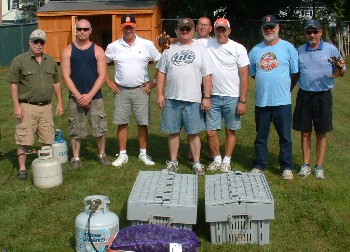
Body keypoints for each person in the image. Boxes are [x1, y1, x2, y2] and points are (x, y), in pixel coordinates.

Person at [156, 18, 212, 175]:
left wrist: (206, 97)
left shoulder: (201, 50)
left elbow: (207, 76)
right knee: (173, 132)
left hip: (193, 99)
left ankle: (196, 163)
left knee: (193, 133)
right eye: (182, 29)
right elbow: (161, 73)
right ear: (177, 30)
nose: (185, 31)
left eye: (188, 29)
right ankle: (173, 162)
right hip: (172, 98)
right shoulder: (169, 50)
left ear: (193, 30)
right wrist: (160, 94)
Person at [291, 19, 346, 179]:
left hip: (323, 96)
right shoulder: (299, 50)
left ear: (321, 32)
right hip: (305, 95)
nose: (312, 35)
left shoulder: (331, 49)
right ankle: (305, 165)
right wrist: (287, 91)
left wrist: (340, 68)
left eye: (315, 32)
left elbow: (341, 72)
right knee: (305, 132)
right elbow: (295, 74)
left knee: (321, 133)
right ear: (305, 34)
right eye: (309, 32)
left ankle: (319, 167)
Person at [105, 14, 161, 167]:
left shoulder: (146, 44)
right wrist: (109, 82)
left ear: (135, 26)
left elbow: (162, 62)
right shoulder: (114, 46)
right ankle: (122, 154)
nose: (128, 29)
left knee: (142, 123)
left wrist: (154, 82)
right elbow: (101, 63)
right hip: (121, 90)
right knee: (121, 123)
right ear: (122, 28)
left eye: (130, 26)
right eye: (125, 27)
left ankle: (143, 153)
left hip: (141, 90)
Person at [7, 29, 64, 180]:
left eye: (42, 42)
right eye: (36, 41)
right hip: (27, 106)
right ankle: (22, 169)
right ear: (30, 42)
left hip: (46, 106)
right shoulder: (19, 61)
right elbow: (14, 85)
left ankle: (47, 167)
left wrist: (59, 103)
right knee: (24, 138)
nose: (39, 45)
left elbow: (56, 83)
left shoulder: (51, 61)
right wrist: (17, 106)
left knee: (47, 137)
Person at [248, 15, 298, 180]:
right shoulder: (255, 50)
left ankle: (286, 167)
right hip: (262, 101)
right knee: (261, 137)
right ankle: (260, 164)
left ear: (278, 28)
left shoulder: (288, 48)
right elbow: (254, 74)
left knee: (285, 137)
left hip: (282, 101)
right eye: (266, 27)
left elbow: (295, 73)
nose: (269, 30)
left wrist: (286, 89)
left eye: (272, 27)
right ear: (262, 29)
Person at [197, 18, 249, 173]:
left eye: (223, 29)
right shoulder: (206, 44)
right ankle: (217, 159)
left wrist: (243, 100)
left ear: (229, 31)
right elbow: (185, 39)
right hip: (212, 96)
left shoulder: (238, 48)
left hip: (232, 97)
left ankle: (227, 160)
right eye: (218, 29)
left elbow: (244, 76)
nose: (221, 32)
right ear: (214, 30)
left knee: (230, 130)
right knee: (210, 131)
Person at [61, 19, 111, 169]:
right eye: (79, 29)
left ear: (90, 31)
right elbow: (65, 76)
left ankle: (102, 155)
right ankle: (76, 158)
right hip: (75, 98)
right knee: (75, 129)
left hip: (95, 97)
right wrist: (78, 95)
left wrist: (89, 95)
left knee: (99, 128)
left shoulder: (98, 50)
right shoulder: (67, 51)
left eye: (85, 29)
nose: (82, 32)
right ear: (76, 30)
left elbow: (102, 75)